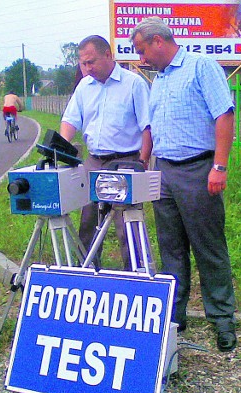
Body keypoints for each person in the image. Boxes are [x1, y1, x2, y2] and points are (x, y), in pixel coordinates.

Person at [130, 17, 237, 352]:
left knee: (208, 247)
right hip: (164, 173)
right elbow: (152, 126)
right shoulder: (158, 80)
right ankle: (174, 320)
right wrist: (143, 161)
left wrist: (219, 166)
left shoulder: (200, 67)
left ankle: (222, 321)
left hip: (197, 169)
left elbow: (225, 115)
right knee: (171, 249)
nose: (141, 58)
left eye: (142, 50)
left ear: (158, 40)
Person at [60, 35, 152, 269]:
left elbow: (147, 126)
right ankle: (87, 271)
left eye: (91, 62)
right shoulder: (84, 86)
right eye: (83, 63)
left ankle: (136, 274)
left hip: (126, 160)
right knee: (88, 220)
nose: (87, 68)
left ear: (108, 55)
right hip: (94, 161)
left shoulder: (133, 84)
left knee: (126, 223)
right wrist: (59, 147)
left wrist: (142, 161)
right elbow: (71, 121)